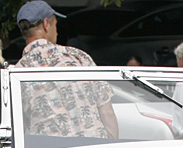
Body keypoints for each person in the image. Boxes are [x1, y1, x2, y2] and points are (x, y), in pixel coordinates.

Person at [15, 0, 118, 139]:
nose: (57, 31)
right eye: (56, 25)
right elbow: (107, 112)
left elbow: (19, 127)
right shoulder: (78, 56)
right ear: (46, 24)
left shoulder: (19, 72)